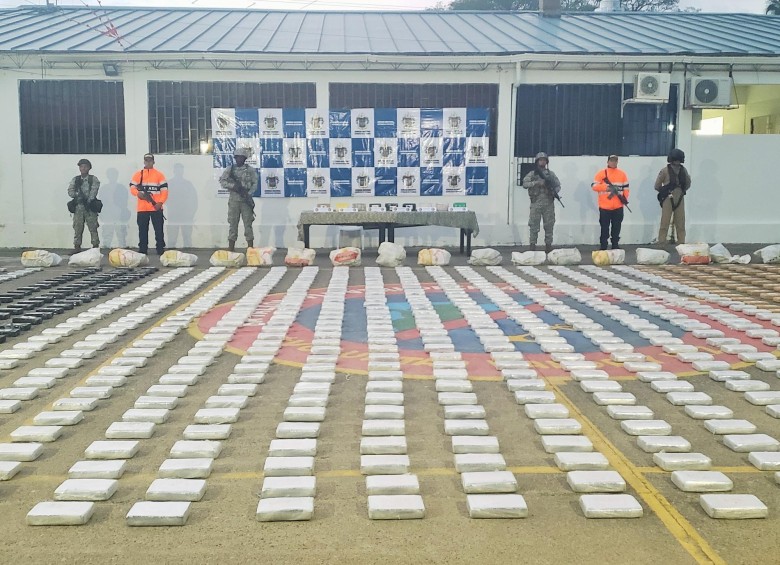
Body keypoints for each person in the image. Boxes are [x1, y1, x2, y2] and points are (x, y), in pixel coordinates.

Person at [219, 147, 258, 251]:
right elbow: (222, 181)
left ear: (245, 159)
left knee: (248, 225)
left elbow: (255, 184)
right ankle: (231, 248)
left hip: (246, 201)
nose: (239, 160)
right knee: (233, 224)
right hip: (234, 201)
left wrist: (248, 194)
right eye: (237, 158)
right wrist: (233, 186)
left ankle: (250, 249)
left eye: (241, 158)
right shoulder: (230, 169)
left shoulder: (250, 170)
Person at [522, 152, 561, 252]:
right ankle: (532, 245)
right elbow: (525, 184)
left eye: (544, 160)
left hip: (548, 203)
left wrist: (553, 191)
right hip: (536, 203)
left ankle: (548, 245)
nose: (542, 161)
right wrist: (537, 183)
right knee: (534, 224)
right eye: (540, 160)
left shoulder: (551, 174)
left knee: (549, 224)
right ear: (537, 161)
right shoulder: (532, 174)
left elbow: (558, 185)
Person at [130, 153, 168, 255]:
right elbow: (132, 187)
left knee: (159, 230)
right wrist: (138, 193)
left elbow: (164, 191)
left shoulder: (159, 175)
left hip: (156, 207)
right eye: (146, 160)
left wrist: (160, 203)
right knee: (142, 231)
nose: (148, 162)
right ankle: (143, 250)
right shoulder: (138, 174)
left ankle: (160, 249)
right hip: (142, 208)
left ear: (153, 162)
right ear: (144, 161)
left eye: (150, 160)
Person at [591, 155, 630, 250]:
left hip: (618, 206)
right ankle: (603, 245)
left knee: (616, 227)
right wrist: (607, 188)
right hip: (605, 207)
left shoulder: (622, 174)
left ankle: (615, 245)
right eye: (611, 161)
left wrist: (623, 198)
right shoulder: (601, 174)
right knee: (604, 228)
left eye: (615, 161)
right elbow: (594, 186)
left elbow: (626, 188)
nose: (613, 163)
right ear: (608, 162)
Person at [655, 148, 691, 245]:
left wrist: (680, 192)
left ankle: (681, 243)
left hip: (679, 197)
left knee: (680, 222)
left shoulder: (683, 171)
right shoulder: (665, 171)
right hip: (668, 197)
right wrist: (664, 192)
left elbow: (687, 184)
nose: (677, 162)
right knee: (665, 222)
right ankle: (661, 242)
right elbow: (657, 185)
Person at [67, 158, 101, 252]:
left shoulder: (93, 179)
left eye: (85, 166)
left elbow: (94, 190)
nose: (83, 168)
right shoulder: (76, 179)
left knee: (93, 227)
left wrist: (89, 200)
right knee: (77, 228)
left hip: (89, 207)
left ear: (89, 168)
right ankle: (77, 247)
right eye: (81, 166)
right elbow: (70, 191)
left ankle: (95, 246)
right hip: (78, 207)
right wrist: (77, 195)